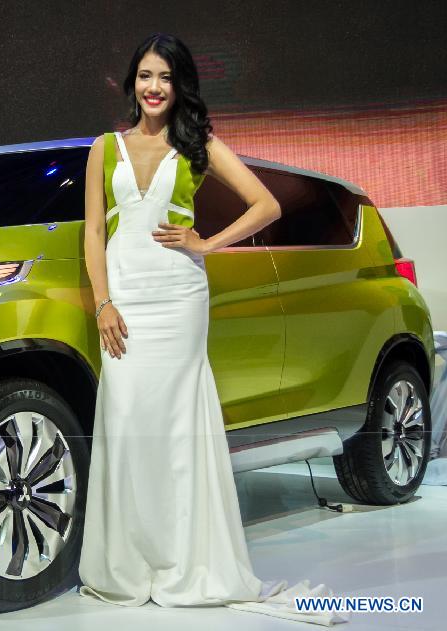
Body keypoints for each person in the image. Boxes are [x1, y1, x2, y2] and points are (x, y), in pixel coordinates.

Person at [77, 32, 350, 626]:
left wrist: (207, 244)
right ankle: (128, 564)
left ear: (179, 88)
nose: (154, 88)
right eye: (146, 76)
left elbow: (265, 204)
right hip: (125, 300)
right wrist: (102, 304)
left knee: (176, 430)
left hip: (178, 297)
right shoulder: (104, 148)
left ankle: (183, 563)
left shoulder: (195, 143)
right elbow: (93, 233)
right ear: (132, 83)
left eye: (166, 78)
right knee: (126, 421)